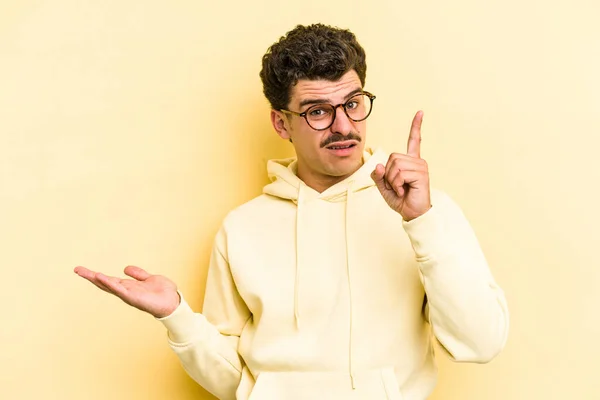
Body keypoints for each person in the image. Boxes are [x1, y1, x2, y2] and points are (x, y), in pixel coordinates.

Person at [74, 23, 509, 400]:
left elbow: (481, 342)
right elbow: (234, 382)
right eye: (318, 111)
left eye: (353, 103)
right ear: (282, 124)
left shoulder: (423, 209)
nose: (343, 126)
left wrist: (422, 222)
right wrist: (178, 317)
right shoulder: (241, 229)